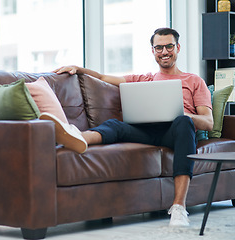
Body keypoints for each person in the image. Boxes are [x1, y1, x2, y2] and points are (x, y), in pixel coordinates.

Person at [39, 27, 213, 227]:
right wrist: (79, 69)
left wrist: (181, 114)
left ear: (178, 48)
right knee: (116, 125)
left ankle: (179, 208)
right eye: (159, 48)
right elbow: (104, 79)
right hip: (147, 131)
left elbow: (208, 122)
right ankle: (76, 137)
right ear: (153, 51)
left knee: (183, 122)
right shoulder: (144, 79)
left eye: (169, 46)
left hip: (177, 133)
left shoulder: (193, 81)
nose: (164, 52)